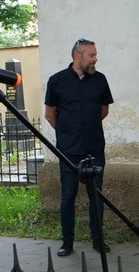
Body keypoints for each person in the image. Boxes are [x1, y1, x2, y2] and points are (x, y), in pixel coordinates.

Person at [44, 39, 113, 257]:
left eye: (95, 54)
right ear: (77, 56)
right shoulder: (57, 81)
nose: (95, 58)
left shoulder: (100, 80)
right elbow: (49, 114)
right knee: (68, 195)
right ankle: (67, 241)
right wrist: (67, 132)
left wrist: (88, 127)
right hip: (69, 150)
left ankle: (98, 239)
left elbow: (104, 109)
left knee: (96, 194)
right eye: (91, 55)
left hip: (94, 146)